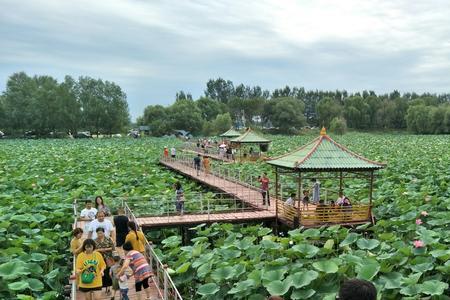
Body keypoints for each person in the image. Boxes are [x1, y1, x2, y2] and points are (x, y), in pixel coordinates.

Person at [94, 227, 115, 295]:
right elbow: (93, 250)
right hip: (99, 259)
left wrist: (105, 249)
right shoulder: (95, 241)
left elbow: (113, 248)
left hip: (108, 258)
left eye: (101, 233)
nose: (99, 234)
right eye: (98, 233)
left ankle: (108, 288)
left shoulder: (108, 239)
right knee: (101, 273)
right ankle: (102, 287)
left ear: (103, 232)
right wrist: (100, 250)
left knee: (108, 272)